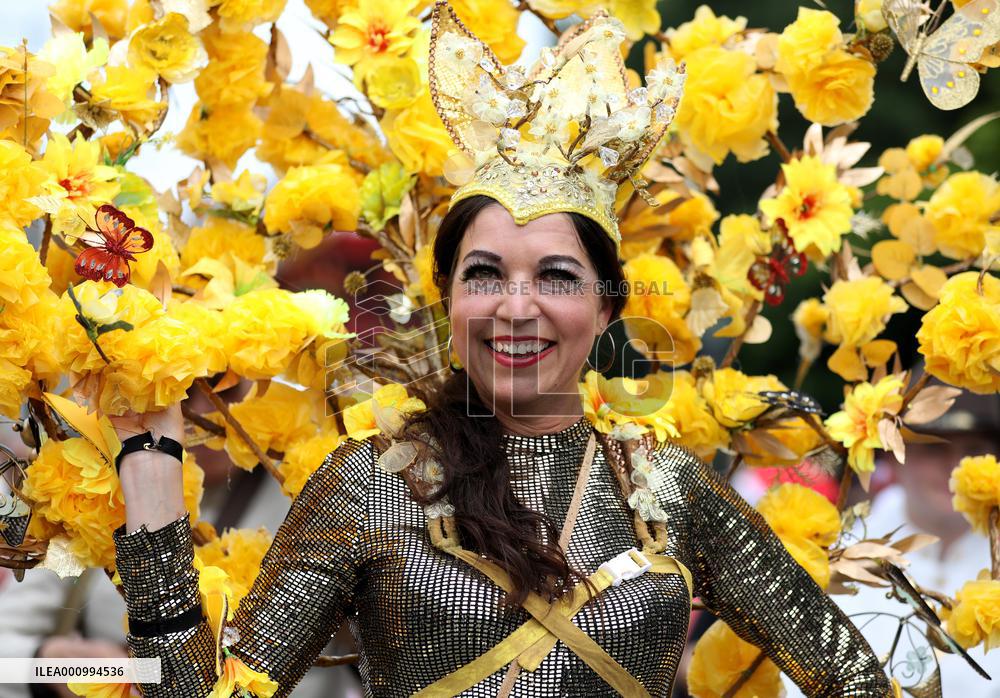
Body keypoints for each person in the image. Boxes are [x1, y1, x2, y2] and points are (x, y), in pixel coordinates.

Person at [106, 4, 893, 696]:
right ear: (449, 300)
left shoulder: (668, 488)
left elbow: (850, 675)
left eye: (555, 276)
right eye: (485, 276)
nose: (516, 308)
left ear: (606, 305)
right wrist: (150, 491)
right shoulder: (374, 484)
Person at [780, 389, 1000, 697]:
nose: (955, 466)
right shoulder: (834, 557)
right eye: (935, 449)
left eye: (974, 449)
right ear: (894, 456)